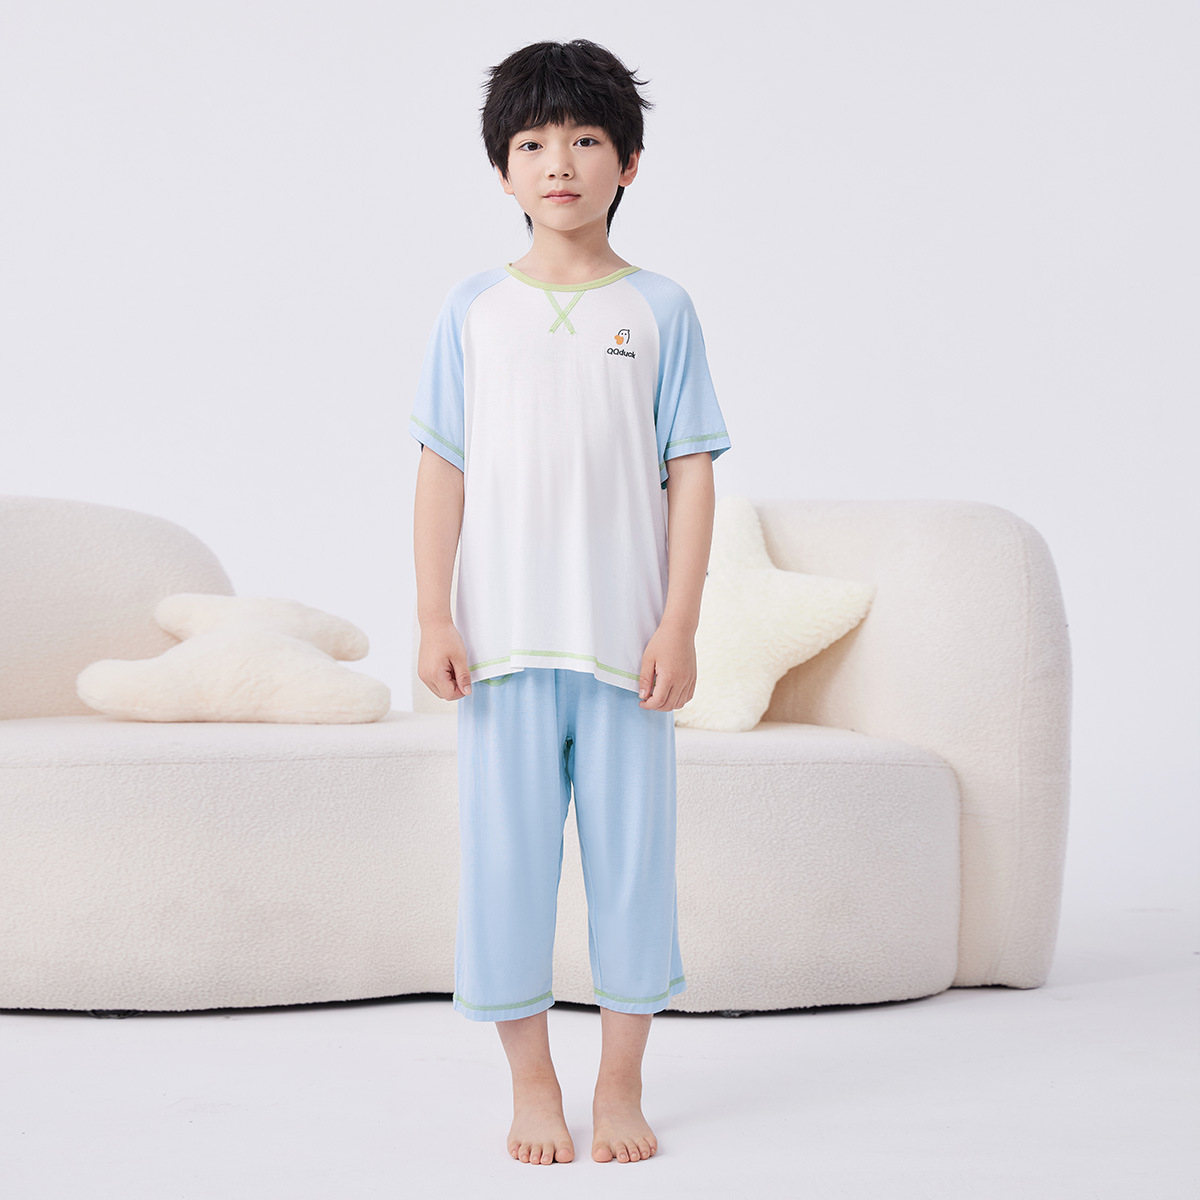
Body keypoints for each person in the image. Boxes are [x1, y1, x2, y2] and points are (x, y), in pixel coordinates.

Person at [410, 38, 732, 1167]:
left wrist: (679, 624)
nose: (560, 162)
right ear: (503, 170)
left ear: (627, 163)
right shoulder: (472, 310)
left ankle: (622, 1083)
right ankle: (533, 1084)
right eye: (534, 142)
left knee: (633, 873)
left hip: (625, 653)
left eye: (586, 139)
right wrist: (435, 616)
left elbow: (691, 471)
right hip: (501, 653)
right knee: (505, 875)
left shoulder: (660, 308)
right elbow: (441, 469)